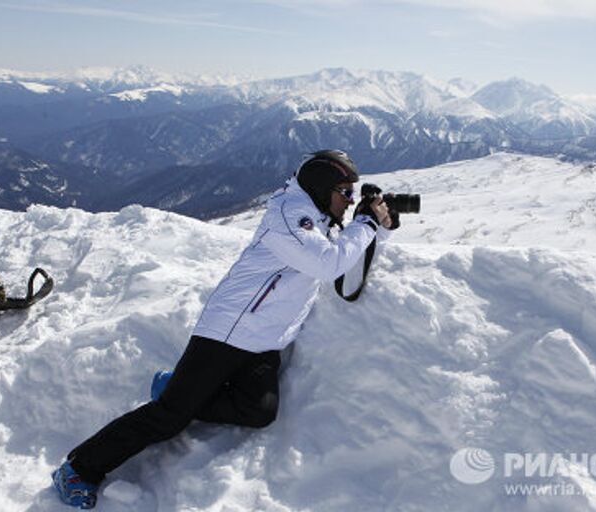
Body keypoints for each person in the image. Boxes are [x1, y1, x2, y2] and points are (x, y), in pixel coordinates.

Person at [51, 149, 398, 509]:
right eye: (345, 192)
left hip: (266, 338)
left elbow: (345, 262)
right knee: (169, 418)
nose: (350, 200)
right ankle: (79, 468)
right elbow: (328, 265)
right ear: (322, 187)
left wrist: (380, 230)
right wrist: (366, 224)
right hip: (229, 330)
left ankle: (176, 388)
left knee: (259, 411)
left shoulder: (317, 214)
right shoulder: (290, 217)